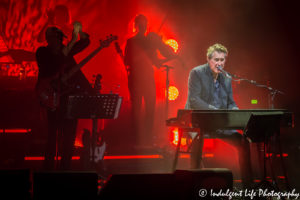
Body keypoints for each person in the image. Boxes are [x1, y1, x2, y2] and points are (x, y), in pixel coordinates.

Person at [185, 43, 253, 188]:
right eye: (216, 60)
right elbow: (194, 100)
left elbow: (231, 102)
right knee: (198, 140)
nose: (219, 63)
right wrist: (213, 110)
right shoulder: (196, 73)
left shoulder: (227, 78)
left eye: (222, 60)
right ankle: (194, 186)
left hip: (218, 124)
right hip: (198, 123)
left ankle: (249, 188)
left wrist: (235, 110)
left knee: (243, 142)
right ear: (208, 59)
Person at [36, 22, 93, 170]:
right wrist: (72, 41)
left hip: (67, 98)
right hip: (51, 99)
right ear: (49, 39)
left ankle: (65, 169)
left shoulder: (64, 50)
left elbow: (85, 42)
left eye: (61, 39)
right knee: (52, 136)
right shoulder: (42, 52)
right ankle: (48, 169)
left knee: (69, 136)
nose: (60, 41)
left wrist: (80, 31)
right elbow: (57, 61)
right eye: (57, 38)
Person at [124, 14, 176, 146]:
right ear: (136, 26)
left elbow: (160, 60)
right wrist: (142, 55)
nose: (143, 27)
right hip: (135, 78)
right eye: (140, 24)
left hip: (148, 78)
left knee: (150, 109)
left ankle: (147, 138)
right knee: (136, 109)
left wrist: (160, 43)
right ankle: (135, 139)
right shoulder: (131, 42)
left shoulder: (150, 41)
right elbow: (127, 61)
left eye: (144, 24)